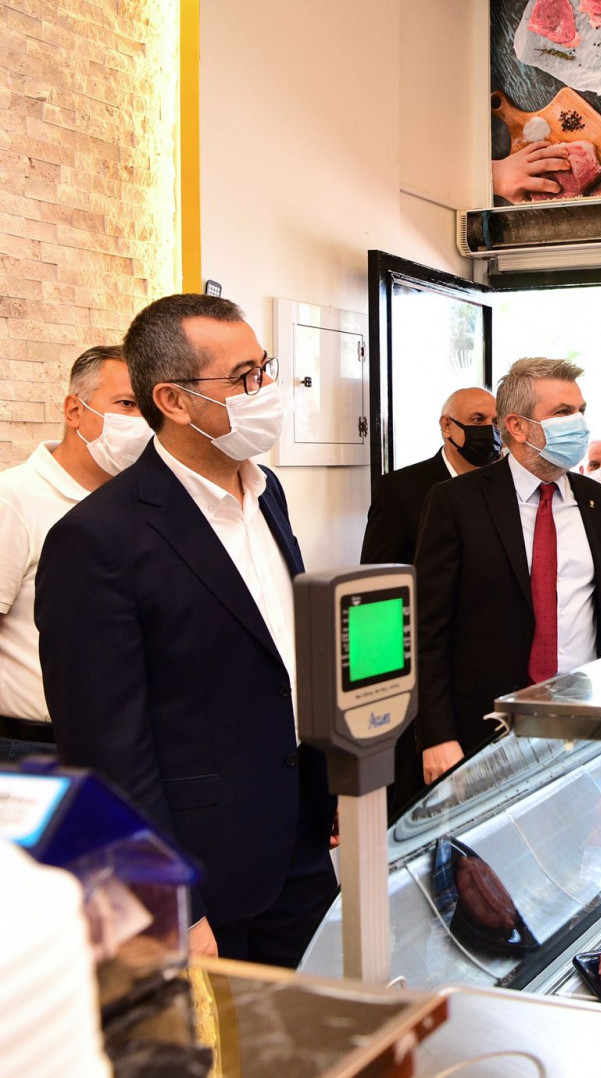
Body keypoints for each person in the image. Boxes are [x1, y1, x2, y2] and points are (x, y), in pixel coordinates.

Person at [35, 293, 336, 967]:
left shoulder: (268, 492)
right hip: (201, 866)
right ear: (172, 400)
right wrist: (168, 897)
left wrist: (326, 785)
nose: (265, 391)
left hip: (298, 840)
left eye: (264, 367)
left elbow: (280, 655)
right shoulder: (98, 538)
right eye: (243, 378)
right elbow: (105, 746)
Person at [413, 358, 601, 783]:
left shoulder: (600, 504)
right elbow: (427, 628)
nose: (579, 424)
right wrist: (436, 734)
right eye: (563, 412)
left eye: (581, 411)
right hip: (485, 723)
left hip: (583, 719)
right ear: (517, 426)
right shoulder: (457, 502)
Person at [0, 346, 150, 761]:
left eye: (149, 408)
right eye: (126, 404)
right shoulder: (13, 498)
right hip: (32, 747)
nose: (141, 422)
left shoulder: (143, 502)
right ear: (74, 410)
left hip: (127, 742)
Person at [360, 387, 498, 565]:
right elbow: (377, 571)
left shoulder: (504, 486)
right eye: (477, 420)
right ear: (447, 426)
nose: (489, 430)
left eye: (495, 422)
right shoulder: (399, 489)